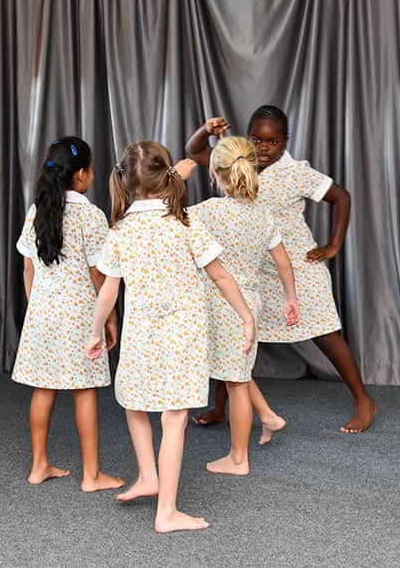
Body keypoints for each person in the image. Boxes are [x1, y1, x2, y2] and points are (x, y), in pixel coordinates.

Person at [86, 140, 254, 533]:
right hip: (182, 335)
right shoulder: (185, 223)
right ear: (166, 177)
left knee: (134, 401)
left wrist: (95, 330)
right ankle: (166, 512)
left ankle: (148, 474)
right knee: (174, 419)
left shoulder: (121, 228)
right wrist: (246, 316)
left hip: (142, 332)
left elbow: (108, 290)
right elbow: (221, 276)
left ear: (127, 183)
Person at [185, 106, 377, 433]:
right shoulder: (240, 161)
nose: (263, 148)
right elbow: (195, 151)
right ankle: (220, 406)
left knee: (327, 334)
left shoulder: (297, 173)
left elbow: (341, 197)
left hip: (296, 268)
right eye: (257, 140)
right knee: (230, 336)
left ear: (285, 142)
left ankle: (364, 401)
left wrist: (334, 245)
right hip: (252, 270)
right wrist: (205, 129)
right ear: (248, 139)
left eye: (272, 142)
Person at [12, 136, 124, 492]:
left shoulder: (37, 209)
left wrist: (35, 306)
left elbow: (28, 268)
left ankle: (38, 465)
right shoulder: (91, 216)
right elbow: (99, 274)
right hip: (80, 316)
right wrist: (109, 318)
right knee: (85, 391)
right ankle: (92, 475)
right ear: (80, 175)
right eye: (91, 169)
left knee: (43, 390)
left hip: (43, 313)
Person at [188, 136, 300, 474]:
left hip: (220, 304)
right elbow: (283, 262)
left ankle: (238, 458)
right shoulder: (263, 214)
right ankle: (268, 416)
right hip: (249, 304)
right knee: (235, 371)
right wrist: (291, 298)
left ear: (217, 174)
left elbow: (164, 214)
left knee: (235, 381)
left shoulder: (204, 213)